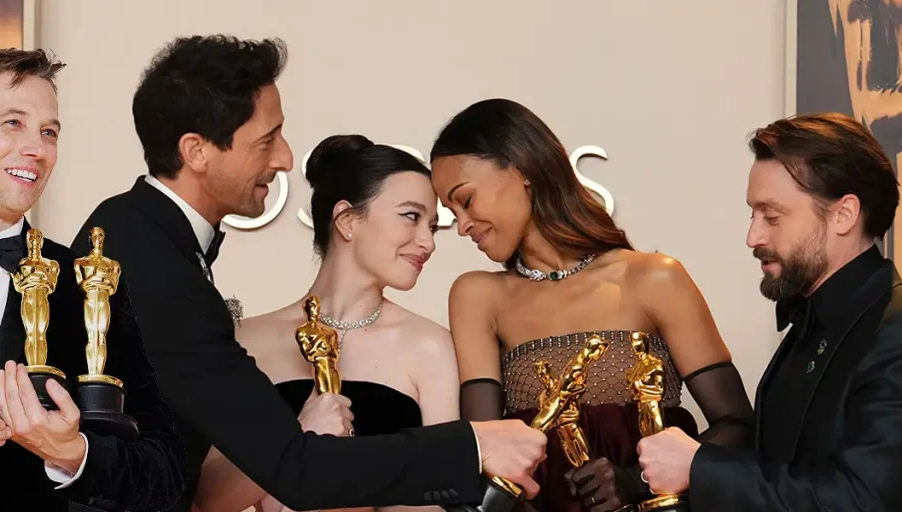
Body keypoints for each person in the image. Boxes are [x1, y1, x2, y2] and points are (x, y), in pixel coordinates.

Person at [70, 34, 546, 512]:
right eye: (266, 140)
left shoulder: (153, 240)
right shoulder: (149, 259)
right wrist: (474, 447)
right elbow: (285, 469)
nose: (285, 159)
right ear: (197, 151)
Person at [0, 48, 186, 511]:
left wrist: (72, 453)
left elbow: (166, 473)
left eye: (49, 132)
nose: (37, 149)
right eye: (13, 123)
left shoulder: (89, 285)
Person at [428, 98, 755, 512]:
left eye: (466, 200)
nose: (461, 226)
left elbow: (739, 426)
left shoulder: (655, 278)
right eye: (451, 210)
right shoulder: (476, 296)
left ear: (522, 170)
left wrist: (635, 482)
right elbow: (485, 455)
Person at [638, 112, 902, 510]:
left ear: (843, 215)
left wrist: (700, 467)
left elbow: (866, 498)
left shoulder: (894, 331)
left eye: (772, 216)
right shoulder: (807, 325)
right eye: (752, 214)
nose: (753, 236)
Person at [193, 134, 459, 512]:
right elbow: (208, 499)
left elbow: (436, 496)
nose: (428, 243)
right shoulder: (245, 339)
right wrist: (296, 439)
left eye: (432, 227)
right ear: (347, 220)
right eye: (411, 217)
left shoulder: (430, 346)